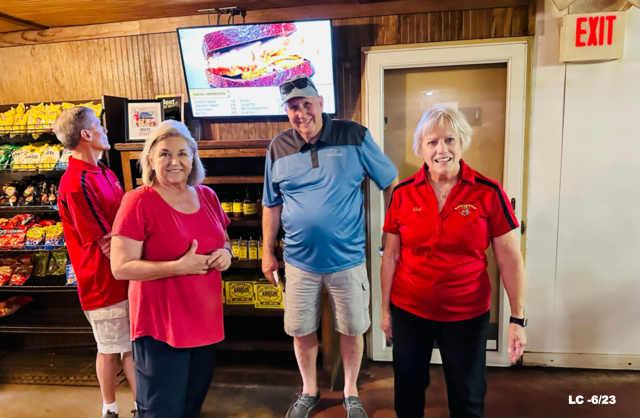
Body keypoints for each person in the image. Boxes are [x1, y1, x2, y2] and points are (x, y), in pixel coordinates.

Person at [262, 74, 398, 418]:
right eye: (293, 107)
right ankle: (310, 389)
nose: (301, 113)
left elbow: (390, 182)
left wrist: (391, 232)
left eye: (307, 104)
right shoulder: (277, 147)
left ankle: (351, 391)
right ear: (286, 111)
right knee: (301, 330)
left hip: (348, 260)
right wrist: (267, 252)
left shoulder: (354, 135)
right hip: (298, 262)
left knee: (352, 329)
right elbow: (271, 204)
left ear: (320, 103)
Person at [380, 105, 527, 418]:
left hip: (467, 314)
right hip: (409, 310)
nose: (441, 150)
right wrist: (385, 310)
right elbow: (390, 256)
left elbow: (510, 259)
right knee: (407, 393)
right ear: (421, 148)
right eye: (432, 142)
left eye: (449, 140)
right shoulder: (402, 194)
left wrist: (517, 319)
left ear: (462, 143)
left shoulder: (489, 192)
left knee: (468, 396)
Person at [110, 120, 232, 418]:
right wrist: (178, 267)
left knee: (191, 408)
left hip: (205, 322)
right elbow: (121, 267)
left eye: (182, 154)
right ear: (150, 160)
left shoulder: (207, 196)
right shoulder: (137, 201)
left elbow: (224, 239)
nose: (174, 161)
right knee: (160, 411)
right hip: (160, 327)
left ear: (193, 159)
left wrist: (226, 254)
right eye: (164, 154)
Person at [54, 106, 136, 418]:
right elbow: (105, 242)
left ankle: (140, 406)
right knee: (113, 348)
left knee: (128, 347)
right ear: (86, 134)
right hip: (102, 281)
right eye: (99, 126)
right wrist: (144, 266)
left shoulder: (104, 172)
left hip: (122, 275)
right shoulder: (76, 183)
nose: (105, 130)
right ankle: (112, 408)